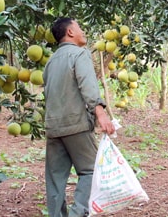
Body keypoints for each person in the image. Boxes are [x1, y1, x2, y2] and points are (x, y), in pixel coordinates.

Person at [43, 17, 116, 217]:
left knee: (55, 180)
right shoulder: (79, 54)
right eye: (79, 28)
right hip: (76, 125)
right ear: (70, 32)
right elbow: (88, 86)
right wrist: (100, 113)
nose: (83, 31)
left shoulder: (51, 61)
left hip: (53, 126)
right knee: (92, 171)